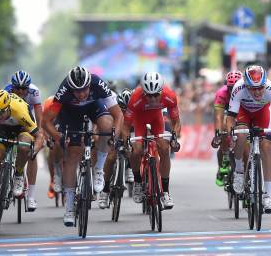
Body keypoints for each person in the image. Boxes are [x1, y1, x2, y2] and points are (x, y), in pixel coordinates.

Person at [42, 66, 123, 226]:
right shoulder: (64, 90)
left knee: (107, 126)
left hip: (94, 107)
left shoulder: (98, 84)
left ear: (89, 84)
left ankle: (98, 169)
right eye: (77, 91)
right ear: (70, 88)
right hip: (70, 113)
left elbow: (118, 115)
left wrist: (114, 135)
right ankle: (70, 208)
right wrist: (59, 137)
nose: (81, 94)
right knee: (73, 155)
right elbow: (46, 121)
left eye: (84, 90)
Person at [226, 65, 271, 213]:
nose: (258, 92)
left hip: (262, 114)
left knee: (266, 147)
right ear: (246, 85)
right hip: (243, 112)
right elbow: (230, 118)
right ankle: (239, 171)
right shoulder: (238, 88)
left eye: (260, 88)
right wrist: (231, 134)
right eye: (253, 89)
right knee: (240, 134)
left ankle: (266, 195)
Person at [0, 90, 43, 220]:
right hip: (2, 129)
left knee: (24, 147)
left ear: (8, 107)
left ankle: (18, 174)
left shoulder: (20, 110)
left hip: (22, 127)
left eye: (1, 112)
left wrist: (34, 150)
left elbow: (39, 136)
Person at [123, 72, 182, 210]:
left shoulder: (170, 95)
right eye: (149, 95)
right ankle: (137, 181)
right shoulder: (135, 98)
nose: (153, 99)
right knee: (136, 150)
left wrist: (174, 137)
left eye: (156, 95)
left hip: (157, 119)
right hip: (139, 120)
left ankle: (166, 192)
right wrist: (127, 142)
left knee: (163, 148)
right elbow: (125, 126)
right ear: (143, 93)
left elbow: (176, 122)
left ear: (161, 91)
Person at [4, 70, 43, 211]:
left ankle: (31, 197)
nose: (20, 91)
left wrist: (41, 133)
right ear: (12, 86)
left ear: (28, 87)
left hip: (27, 121)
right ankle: (1, 184)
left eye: (24, 88)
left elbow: (39, 116)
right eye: (17, 88)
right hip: (9, 121)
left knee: (31, 152)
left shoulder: (34, 92)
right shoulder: (6, 91)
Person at [97, 88, 133, 209]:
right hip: (115, 135)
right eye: (122, 108)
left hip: (128, 135)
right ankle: (105, 191)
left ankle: (129, 168)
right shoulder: (112, 111)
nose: (124, 112)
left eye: (126, 109)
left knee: (134, 148)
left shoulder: (134, 112)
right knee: (111, 157)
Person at [211, 70, 242, 187]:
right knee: (224, 126)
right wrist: (218, 134)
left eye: (236, 87)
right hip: (226, 112)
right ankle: (223, 161)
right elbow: (218, 116)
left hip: (240, 112)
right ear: (226, 86)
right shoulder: (221, 93)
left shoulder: (245, 92)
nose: (233, 90)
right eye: (230, 88)